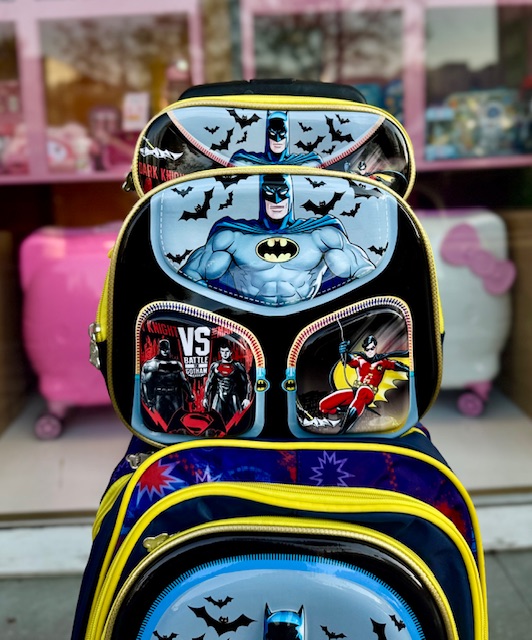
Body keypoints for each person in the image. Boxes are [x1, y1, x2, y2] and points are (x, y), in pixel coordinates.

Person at [180, 174, 375, 306]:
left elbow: (364, 273)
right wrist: (219, 310)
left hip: (310, 317)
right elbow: (189, 277)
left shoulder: (320, 235)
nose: (276, 200)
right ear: (261, 196)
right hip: (244, 318)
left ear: (291, 194)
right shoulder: (233, 236)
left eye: (282, 192)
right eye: (269, 193)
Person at [317, 335, 409, 433]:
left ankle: (344, 429)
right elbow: (349, 359)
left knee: (363, 391)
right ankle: (349, 412)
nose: (370, 351)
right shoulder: (360, 359)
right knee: (323, 405)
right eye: (367, 349)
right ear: (364, 349)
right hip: (356, 392)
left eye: (372, 348)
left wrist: (409, 370)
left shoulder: (383, 361)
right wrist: (344, 352)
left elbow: (396, 365)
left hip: (368, 393)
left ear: (375, 347)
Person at [230, 110, 321, 166]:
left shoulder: (308, 161)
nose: (277, 140)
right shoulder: (244, 160)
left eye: (282, 133)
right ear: (267, 135)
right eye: (272, 133)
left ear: (287, 135)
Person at [140, 338, 195, 427]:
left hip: (174, 396)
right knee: (159, 423)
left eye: (167, 349)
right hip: (159, 397)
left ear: (169, 349)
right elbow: (146, 383)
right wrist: (149, 401)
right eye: (163, 349)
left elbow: (183, 381)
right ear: (159, 349)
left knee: (176, 422)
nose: (165, 351)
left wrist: (190, 394)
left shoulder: (176, 364)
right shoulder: (151, 364)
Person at [202, 343, 252, 425]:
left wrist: (247, 398)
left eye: (226, 351)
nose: (224, 354)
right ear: (220, 352)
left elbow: (246, 382)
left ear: (230, 352)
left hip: (233, 395)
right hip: (219, 396)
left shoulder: (238, 366)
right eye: (222, 351)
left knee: (236, 420)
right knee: (216, 418)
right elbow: (209, 382)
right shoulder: (215, 366)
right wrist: (205, 397)